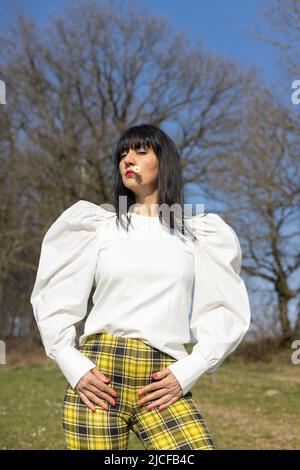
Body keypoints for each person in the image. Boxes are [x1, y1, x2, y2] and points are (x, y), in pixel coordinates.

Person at [30, 123, 251, 450]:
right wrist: (72, 364)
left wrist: (187, 371)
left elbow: (223, 311)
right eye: (122, 154)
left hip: (163, 380)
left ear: (165, 161)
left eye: (140, 151)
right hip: (98, 379)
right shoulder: (97, 227)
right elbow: (56, 298)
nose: (127, 160)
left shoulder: (199, 235)